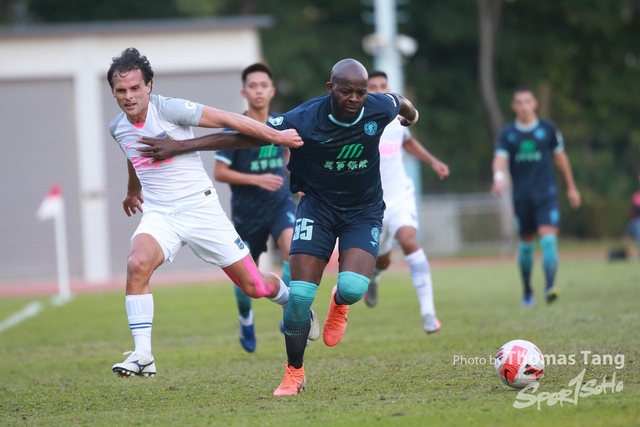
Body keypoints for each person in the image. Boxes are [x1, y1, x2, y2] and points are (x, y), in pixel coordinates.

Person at [136, 58, 419, 396]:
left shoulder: (378, 106)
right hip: (317, 209)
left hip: (363, 211)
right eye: (347, 92)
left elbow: (401, 103)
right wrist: (181, 146)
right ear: (331, 88)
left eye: (361, 92)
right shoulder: (304, 118)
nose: (355, 99)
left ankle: (340, 302)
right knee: (299, 297)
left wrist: (411, 117)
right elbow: (245, 138)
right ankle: (294, 373)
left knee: (354, 288)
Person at [106, 47, 312, 378]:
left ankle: (291, 303)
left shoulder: (169, 109)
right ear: (113, 92)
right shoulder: (118, 127)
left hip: (200, 209)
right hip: (160, 214)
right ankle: (143, 355)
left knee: (255, 287)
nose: (128, 96)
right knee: (136, 263)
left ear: (149, 86)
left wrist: (276, 136)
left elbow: (229, 120)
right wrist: (133, 191)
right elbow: (133, 155)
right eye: (121, 90)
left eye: (135, 88)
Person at [213, 63, 304, 353]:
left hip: (279, 204)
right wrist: (257, 179)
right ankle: (246, 318)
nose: (259, 91)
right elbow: (220, 172)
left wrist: (301, 180)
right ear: (244, 92)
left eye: (263, 85)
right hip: (246, 212)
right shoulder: (234, 128)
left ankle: (288, 311)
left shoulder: (281, 123)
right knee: (247, 278)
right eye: (252, 86)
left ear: (272, 90)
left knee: (292, 249)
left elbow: (289, 156)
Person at [364, 71, 450, 334]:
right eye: (373, 87)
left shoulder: (396, 117)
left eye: (383, 85)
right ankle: (374, 278)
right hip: (372, 204)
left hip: (401, 196)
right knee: (382, 260)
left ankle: (428, 314)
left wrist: (433, 161)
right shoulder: (358, 121)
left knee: (409, 241)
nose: (379, 90)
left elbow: (408, 142)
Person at [492, 86, 581, 307]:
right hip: (521, 196)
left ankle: (549, 287)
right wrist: (498, 177)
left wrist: (571, 187)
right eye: (519, 102)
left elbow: (561, 158)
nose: (524, 106)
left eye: (527, 101)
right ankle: (527, 290)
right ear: (514, 106)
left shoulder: (548, 129)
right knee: (526, 245)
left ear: (535, 104)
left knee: (548, 239)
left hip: (546, 193)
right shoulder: (508, 133)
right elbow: (500, 159)